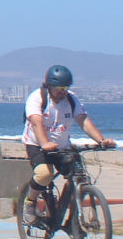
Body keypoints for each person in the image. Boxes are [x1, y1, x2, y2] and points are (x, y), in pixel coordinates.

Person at [22, 65, 115, 214]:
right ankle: (30, 202)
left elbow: (83, 121)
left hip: (62, 147)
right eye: (59, 87)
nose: (62, 91)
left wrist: (101, 141)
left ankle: (72, 220)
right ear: (49, 85)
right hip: (37, 145)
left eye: (65, 87)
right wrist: (45, 143)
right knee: (45, 174)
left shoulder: (71, 100)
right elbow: (36, 123)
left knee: (78, 174)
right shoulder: (37, 98)